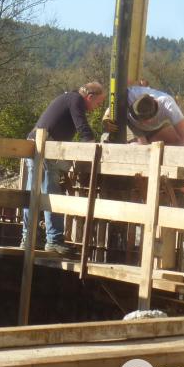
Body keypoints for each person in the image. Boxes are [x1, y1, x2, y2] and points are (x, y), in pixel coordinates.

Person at [20, 82, 106, 254]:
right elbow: (82, 127)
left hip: (35, 144)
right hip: (44, 147)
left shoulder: (68, 98)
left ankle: (29, 238)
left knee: (33, 193)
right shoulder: (76, 100)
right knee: (51, 194)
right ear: (90, 97)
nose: (97, 108)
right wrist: (95, 150)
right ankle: (54, 239)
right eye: (98, 103)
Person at [103, 86, 184, 146]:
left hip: (156, 128)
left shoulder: (169, 106)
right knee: (138, 150)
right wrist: (107, 114)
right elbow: (116, 95)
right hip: (131, 126)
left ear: (148, 121)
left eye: (139, 119)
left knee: (174, 143)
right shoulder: (131, 94)